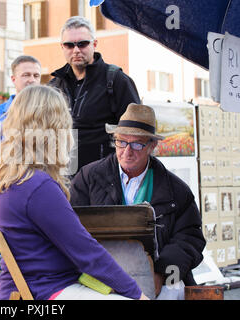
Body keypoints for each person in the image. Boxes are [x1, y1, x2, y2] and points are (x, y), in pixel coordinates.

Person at [0, 85, 148, 300]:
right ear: (52, 129)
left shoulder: (12, 181)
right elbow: (87, 253)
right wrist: (137, 294)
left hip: (28, 290)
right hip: (47, 291)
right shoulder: (37, 186)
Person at [70, 103, 206, 300]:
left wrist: (162, 273)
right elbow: (71, 228)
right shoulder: (88, 178)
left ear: (152, 146)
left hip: (157, 272)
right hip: (100, 273)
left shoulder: (177, 191)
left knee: (173, 290)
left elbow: (190, 238)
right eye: (121, 142)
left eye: (137, 144)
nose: (127, 151)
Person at [49, 16, 141, 173]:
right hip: (63, 176)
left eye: (82, 44)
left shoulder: (116, 80)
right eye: (69, 45)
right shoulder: (54, 86)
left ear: (94, 44)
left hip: (104, 176)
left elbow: (137, 131)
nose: (76, 50)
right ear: (62, 47)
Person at [0, 55, 41, 189]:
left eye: (36, 75)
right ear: (13, 79)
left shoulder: (49, 114)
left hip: (41, 190)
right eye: (26, 75)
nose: (32, 80)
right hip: (4, 190)